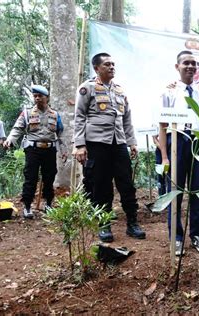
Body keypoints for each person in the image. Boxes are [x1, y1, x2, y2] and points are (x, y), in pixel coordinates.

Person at [73, 52, 145, 242]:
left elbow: (127, 118)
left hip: (119, 143)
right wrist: (79, 144)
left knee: (127, 184)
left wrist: (132, 142)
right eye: (107, 64)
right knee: (101, 185)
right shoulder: (87, 88)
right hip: (97, 143)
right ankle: (104, 225)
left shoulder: (120, 91)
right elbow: (79, 116)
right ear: (97, 68)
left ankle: (132, 223)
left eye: (113, 64)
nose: (112, 67)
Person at [159, 50, 199, 255]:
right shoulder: (169, 92)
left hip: (197, 143)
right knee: (175, 192)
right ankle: (177, 237)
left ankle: (196, 235)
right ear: (177, 66)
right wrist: (164, 156)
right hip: (176, 143)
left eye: (193, 63)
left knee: (197, 191)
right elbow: (162, 126)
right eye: (186, 63)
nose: (190, 66)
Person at [4, 85, 64, 219]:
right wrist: (10, 139)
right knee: (30, 178)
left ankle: (48, 203)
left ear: (46, 98)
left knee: (49, 178)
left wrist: (63, 150)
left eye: (40, 96)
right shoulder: (27, 113)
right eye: (35, 96)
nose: (37, 98)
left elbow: (60, 133)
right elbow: (17, 128)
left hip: (49, 149)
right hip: (33, 150)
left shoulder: (55, 114)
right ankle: (27, 206)